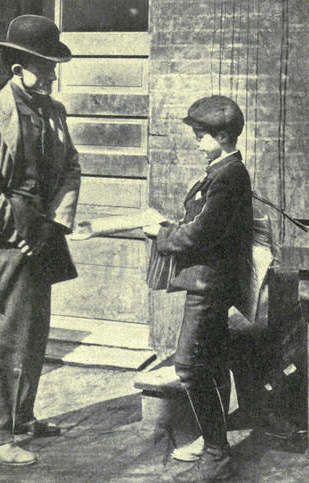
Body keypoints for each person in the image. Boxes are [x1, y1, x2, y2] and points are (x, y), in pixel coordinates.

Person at [0, 15, 81, 466]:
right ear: (18, 67)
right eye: (44, 67)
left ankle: (21, 418)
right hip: (4, 241)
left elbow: (72, 167)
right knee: (3, 337)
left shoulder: (55, 112)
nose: (52, 76)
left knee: (36, 332)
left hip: (45, 235)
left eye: (53, 67)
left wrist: (56, 223)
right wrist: (22, 234)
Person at [144, 95, 253, 481]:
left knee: (189, 365)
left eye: (201, 136)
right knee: (213, 362)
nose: (196, 142)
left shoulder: (229, 175)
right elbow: (204, 223)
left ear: (223, 136)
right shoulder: (221, 170)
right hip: (211, 280)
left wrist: (160, 234)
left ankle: (217, 453)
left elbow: (202, 233)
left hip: (209, 284)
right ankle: (213, 439)